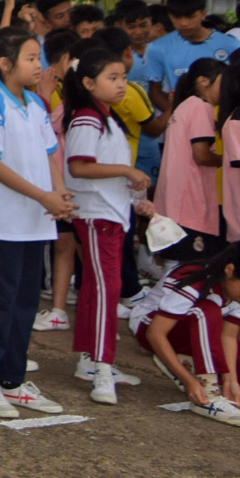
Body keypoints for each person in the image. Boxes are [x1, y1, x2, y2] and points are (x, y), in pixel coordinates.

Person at [0, 26, 73, 419]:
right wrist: (44, 196)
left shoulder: (36, 104)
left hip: (35, 221)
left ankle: (13, 380)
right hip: (1, 223)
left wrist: (58, 195)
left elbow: (51, 154)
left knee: (25, 304)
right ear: (5, 64)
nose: (39, 65)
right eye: (30, 58)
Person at [61, 44, 149, 405]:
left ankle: (92, 361)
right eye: (111, 78)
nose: (121, 85)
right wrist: (128, 171)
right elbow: (79, 166)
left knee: (101, 291)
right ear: (88, 82)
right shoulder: (86, 117)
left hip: (110, 215)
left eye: (123, 78)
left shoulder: (106, 117)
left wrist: (136, 197)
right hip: (96, 216)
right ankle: (101, 367)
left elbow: (100, 168)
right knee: (105, 292)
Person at [129, 243, 240, 425]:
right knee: (207, 310)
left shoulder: (237, 290)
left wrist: (231, 380)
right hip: (151, 327)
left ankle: (187, 360)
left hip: (199, 334)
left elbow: (228, 336)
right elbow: (155, 333)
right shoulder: (194, 279)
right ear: (229, 269)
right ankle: (208, 392)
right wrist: (189, 381)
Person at [154, 57, 226, 264]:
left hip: (174, 199)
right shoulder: (202, 107)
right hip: (189, 201)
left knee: (176, 265)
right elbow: (201, 154)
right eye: (223, 82)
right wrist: (228, 159)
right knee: (190, 266)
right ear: (204, 81)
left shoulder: (185, 105)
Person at [144, 0, 238, 113]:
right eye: (177, 17)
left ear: (203, 14)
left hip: (221, 119)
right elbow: (155, 91)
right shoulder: (157, 48)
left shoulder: (231, 45)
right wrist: (179, 115)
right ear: (170, 16)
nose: (184, 23)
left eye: (190, 17)